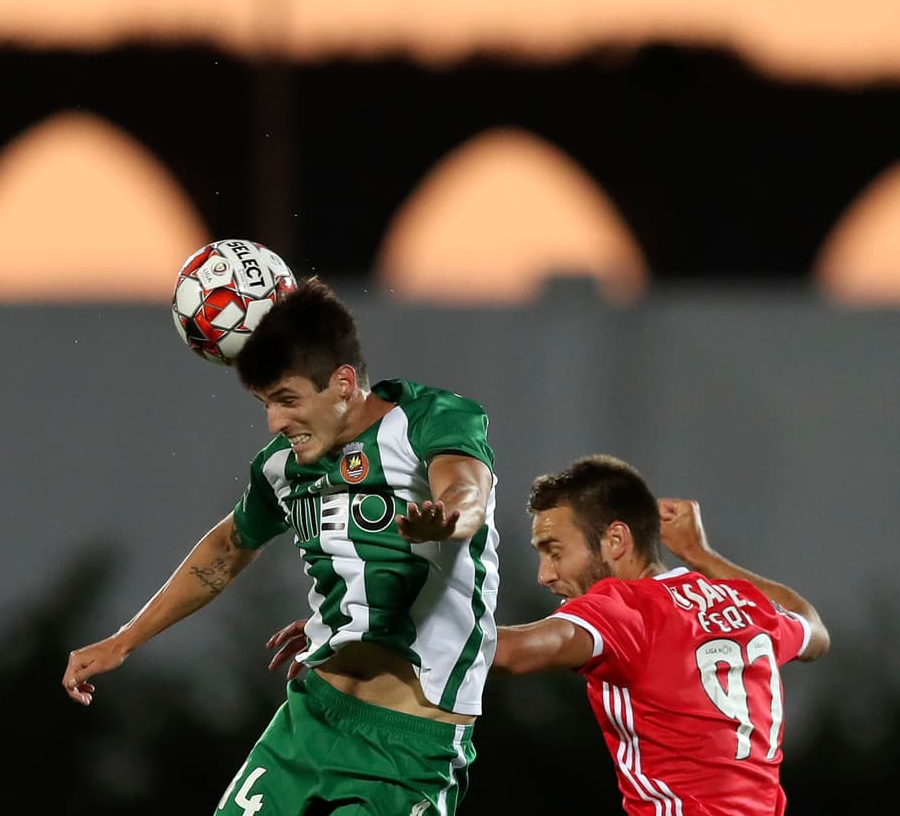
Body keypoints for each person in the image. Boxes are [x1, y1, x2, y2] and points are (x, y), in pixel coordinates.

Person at [63, 276, 501, 815]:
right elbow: (227, 547)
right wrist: (122, 642)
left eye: (288, 400)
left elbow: (467, 487)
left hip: (409, 746)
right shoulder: (281, 468)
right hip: (312, 717)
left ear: (343, 383)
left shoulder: (431, 418)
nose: (275, 421)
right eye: (265, 403)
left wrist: (449, 518)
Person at [269, 454, 830, 815]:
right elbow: (815, 629)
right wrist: (702, 555)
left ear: (615, 541)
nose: (545, 575)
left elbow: (508, 653)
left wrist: (363, 622)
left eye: (554, 550)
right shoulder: (738, 602)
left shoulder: (626, 608)